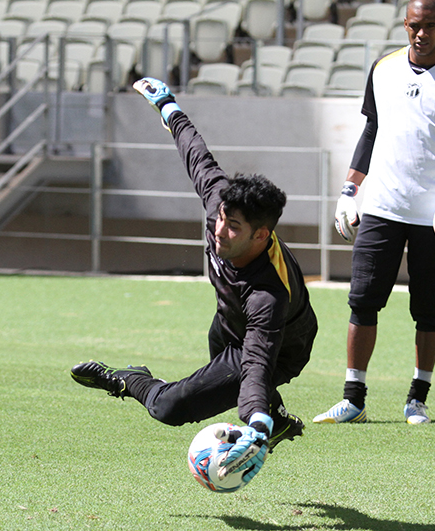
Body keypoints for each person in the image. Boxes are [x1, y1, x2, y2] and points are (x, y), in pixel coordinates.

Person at [71, 77, 318, 484]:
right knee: (220, 363)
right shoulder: (221, 203)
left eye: (233, 227)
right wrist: (167, 105)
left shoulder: (267, 295)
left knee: (171, 408)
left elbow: (257, 363)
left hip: (279, 345)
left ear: (261, 235)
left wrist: (254, 424)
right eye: (220, 218)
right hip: (228, 323)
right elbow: (196, 154)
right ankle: (277, 419)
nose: (219, 229)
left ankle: (131, 379)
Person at [313, 0, 435, 425]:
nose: (421, 34)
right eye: (414, 25)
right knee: (362, 301)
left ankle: (418, 397)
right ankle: (353, 397)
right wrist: (347, 191)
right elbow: (370, 131)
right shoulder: (382, 69)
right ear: (405, 25)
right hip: (381, 207)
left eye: (429, 25)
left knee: (431, 310)